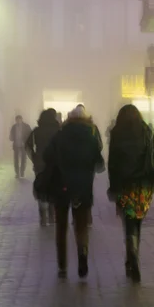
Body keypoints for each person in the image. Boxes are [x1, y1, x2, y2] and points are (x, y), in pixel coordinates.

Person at [107, 104, 154, 283]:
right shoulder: (146, 131)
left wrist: (113, 186)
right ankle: (134, 255)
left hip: (124, 184)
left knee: (128, 220)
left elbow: (112, 163)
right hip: (143, 185)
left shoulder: (117, 133)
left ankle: (132, 254)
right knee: (137, 219)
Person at [43, 105, 104, 279]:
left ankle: (62, 266)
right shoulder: (91, 136)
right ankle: (82, 254)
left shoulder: (60, 135)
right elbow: (99, 164)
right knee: (81, 225)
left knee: (61, 227)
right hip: (83, 187)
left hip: (62, 186)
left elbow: (47, 155)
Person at [26, 108, 60, 226]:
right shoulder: (58, 130)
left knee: (41, 187)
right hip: (54, 163)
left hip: (40, 163)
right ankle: (52, 215)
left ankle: (43, 216)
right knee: (53, 188)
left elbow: (28, 145)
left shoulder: (37, 131)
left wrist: (34, 157)